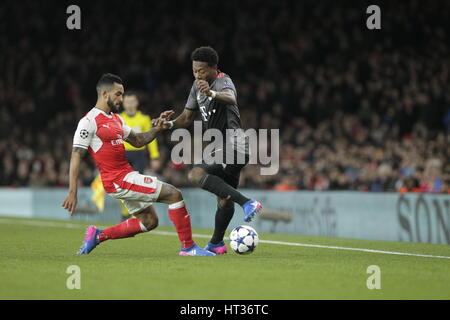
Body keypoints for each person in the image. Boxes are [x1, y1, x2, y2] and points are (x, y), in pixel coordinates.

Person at [61, 73, 214, 256]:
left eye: (122, 94)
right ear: (104, 94)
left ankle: (98, 235)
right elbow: (76, 155)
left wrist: (158, 128)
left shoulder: (116, 119)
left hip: (125, 175)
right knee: (174, 195)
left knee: (149, 221)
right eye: (118, 94)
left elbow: (139, 140)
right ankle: (188, 247)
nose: (121, 99)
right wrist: (72, 192)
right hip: (117, 179)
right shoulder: (88, 122)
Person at [154, 46, 262, 255]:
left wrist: (211, 92)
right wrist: (166, 125)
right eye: (194, 71)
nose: (197, 75)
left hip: (234, 144)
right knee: (224, 198)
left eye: (202, 71)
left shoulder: (223, 80)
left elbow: (231, 98)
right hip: (218, 146)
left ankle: (248, 203)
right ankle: (216, 244)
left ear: (214, 68)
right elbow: (186, 118)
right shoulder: (196, 87)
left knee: (195, 174)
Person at [118, 91, 161, 220]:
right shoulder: (119, 118)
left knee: (135, 185)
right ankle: (126, 213)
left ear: (137, 102)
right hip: (122, 155)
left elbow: (151, 139)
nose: (130, 105)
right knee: (121, 186)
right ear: (123, 103)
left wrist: (154, 157)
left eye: (132, 102)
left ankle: (133, 214)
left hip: (138, 155)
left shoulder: (144, 119)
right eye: (127, 102)